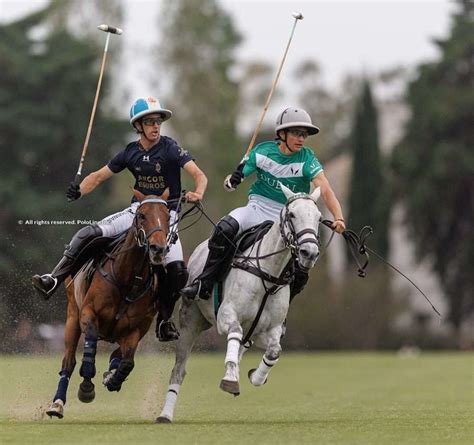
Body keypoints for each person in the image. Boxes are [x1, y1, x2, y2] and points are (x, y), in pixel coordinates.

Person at [32, 96, 208, 341]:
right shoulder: (129, 152)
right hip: (139, 213)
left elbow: (199, 174)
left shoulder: (170, 147)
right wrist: (80, 190)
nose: (156, 126)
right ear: (138, 126)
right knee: (89, 233)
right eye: (149, 122)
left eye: (158, 121)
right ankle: (54, 279)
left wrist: (198, 192)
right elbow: (98, 176)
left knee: (178, 271)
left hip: (167, 216)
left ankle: (164, 321)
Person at [181, 107, 345, 301]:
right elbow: (232, 182)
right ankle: (204, 283)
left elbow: (324, 188)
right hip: (256, 209)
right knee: (224, 230)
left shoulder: (307, 159)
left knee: (302, 266)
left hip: (287, 218)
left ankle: (282, 309)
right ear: (282, 134)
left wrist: (338, 217)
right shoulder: (263, 151)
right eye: (296, 133)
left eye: (304, 135)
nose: (301, 139)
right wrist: (232, 180)